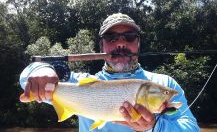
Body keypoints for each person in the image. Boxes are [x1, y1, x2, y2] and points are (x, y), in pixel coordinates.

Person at [20, 13, 200, 132]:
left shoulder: (164, 85)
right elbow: (25, 79)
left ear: (138, 44)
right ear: (102, 45)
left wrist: (155, 125)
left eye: (129, 37)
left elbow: (192, 128)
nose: (121, 44)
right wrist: (43, 69)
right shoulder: (78, 83)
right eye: (111, 38)